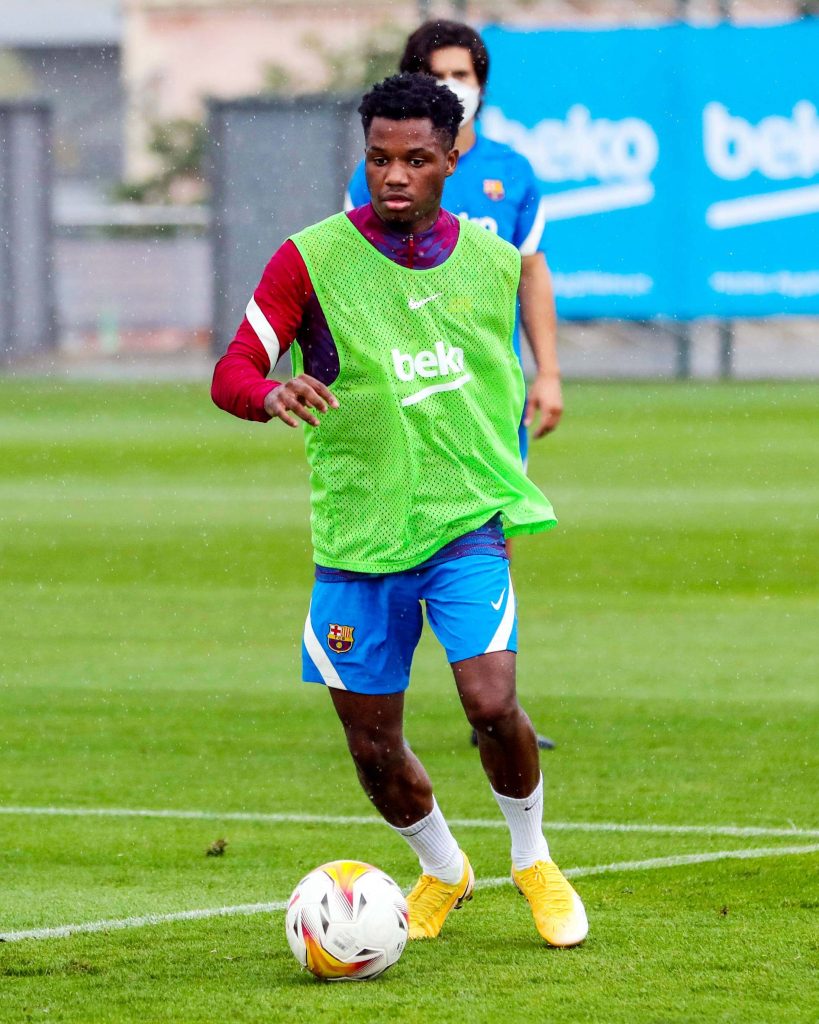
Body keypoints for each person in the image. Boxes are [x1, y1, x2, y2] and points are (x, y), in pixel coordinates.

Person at [211, 72, 587, 948]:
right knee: (373, 749)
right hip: (359, 536)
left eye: (416, 159)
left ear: (451, 159)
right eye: (379, 157)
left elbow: (492, 380)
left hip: (463, 526)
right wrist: (269, 394)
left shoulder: (490, 262)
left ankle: (532, 860)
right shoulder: (309, 258)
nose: (393, 175)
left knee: (489, 701)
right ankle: (443, 868)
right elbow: (232, 370)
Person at [347, 20, 560, 752]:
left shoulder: (510, 170)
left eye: (464, 75)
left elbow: (531, 272)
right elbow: (349, 275)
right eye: (439, 74)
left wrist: (548, 372)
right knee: (398, 533)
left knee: (486, 532)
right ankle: (389, 693)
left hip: (487, 397)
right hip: (405, 394)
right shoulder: (379, 174)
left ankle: (491, 701)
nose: (453, 87)